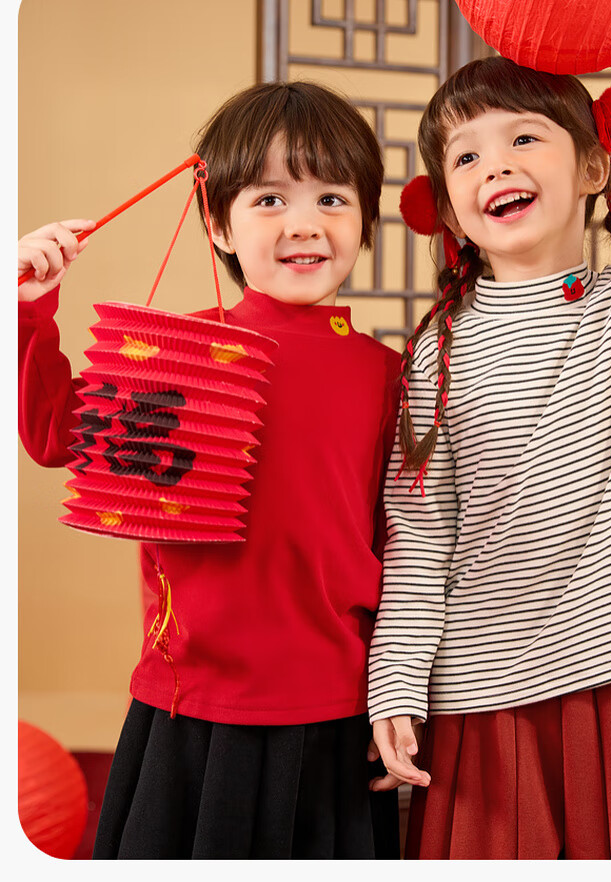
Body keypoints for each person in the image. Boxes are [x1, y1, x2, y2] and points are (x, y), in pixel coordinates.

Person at [366, 0, 611, 860]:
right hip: (480, 690)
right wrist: (396, 681)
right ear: (448, 210)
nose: (495, 166)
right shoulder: (435, 352)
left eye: (522, 138)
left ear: (592, 166)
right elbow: (421, 538)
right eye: (465, 157)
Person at [18, 81, 402, 859]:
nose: (304, 224)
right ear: (219, 223)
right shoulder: (176, 352)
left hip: (336, 702)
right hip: (190, 699)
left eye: (332, 198)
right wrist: (29, 308)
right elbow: (57, 434)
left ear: (366, 221)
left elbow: (408, 545)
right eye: (270, 200)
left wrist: (400, 690)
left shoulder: (392, 374)